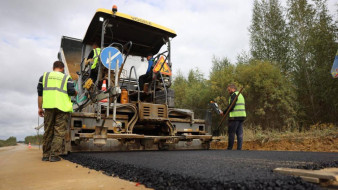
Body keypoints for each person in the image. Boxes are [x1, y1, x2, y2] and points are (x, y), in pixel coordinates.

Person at [37, 61, 77, 162]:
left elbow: (40, 95)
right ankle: (54, 155)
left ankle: (45, 155)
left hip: (49, 107)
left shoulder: (44, 77)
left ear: (53, 67)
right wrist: (76, 92)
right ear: (62, 68)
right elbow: (72, 92)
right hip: (62, 108)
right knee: (58, 132)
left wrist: (40, 108)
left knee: (48, 131)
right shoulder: (66, 78)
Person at [220, 84, 246, 150]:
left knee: (231, 132)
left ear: (233, 89)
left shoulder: (234, 95)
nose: (228, 91)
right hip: (241, 116)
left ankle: (229, 148)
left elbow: (231, 106)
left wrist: (224, 112)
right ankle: (239, 148)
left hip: (235, 117)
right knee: (239, 133)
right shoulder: (240, 95)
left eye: (229, 90)